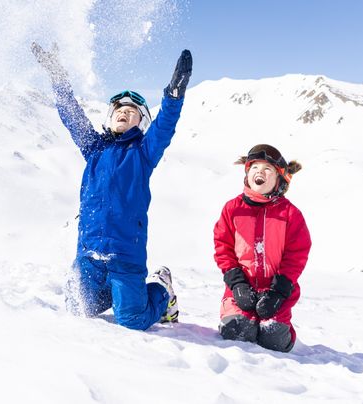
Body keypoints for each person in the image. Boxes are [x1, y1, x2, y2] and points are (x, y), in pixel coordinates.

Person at [32, 42, 192, 330]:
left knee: (131, 320)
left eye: (132, 112)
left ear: (141, 123)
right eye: (119, 109)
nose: (124, 113)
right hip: (89, 253)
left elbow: (164, 127)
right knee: (78, 307)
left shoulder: (143, 153)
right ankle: (119, 295)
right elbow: (72, 117)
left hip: (124, 254)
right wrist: (57, 76)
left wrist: (173, 96)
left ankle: (161, 290)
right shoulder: (94, 148)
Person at [213, 144, 311, 352]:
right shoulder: (233, 209)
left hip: (276, 292)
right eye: (255, 168)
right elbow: (223, 246)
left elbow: (297, 253)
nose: (260, 172)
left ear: (279, 180)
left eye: (268, 169)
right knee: (238, 331)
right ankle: (236, 318)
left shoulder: (290, 214)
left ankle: (280, 333)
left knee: (273, 339)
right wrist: (237, 283)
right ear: (247, 175)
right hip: (241, 288)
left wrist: (279, 290)